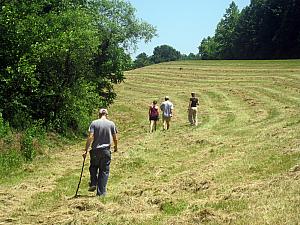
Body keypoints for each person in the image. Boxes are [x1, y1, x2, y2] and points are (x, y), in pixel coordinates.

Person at [83, 108, 118, 197]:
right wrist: (115, 147)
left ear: (99, 115)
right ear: (107, 115)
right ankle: (101, 193)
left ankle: (93, 182)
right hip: (106, 150)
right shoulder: (111, 124)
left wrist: (86, 150)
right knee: (104, 171)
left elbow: (91, 137)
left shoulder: (94, 123)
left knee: (93, 167)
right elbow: (115, 138)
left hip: (95, 150)